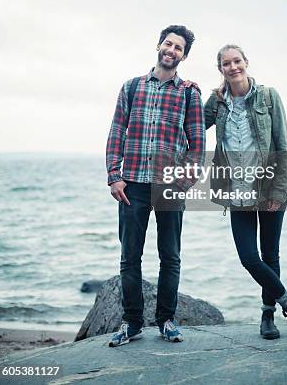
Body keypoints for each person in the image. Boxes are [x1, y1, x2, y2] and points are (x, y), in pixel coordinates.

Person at [204, 44, 287, 339]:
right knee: (249, 258)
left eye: (237, 61)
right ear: (221, 69)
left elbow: (282, 145)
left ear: (246, 62)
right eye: (226, 63)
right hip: (236, 191)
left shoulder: (268, 96)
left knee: (270, 254)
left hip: (268, 188)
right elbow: (192, 126)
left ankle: (268, 318)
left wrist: (279, 191)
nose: (233, 67)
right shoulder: (216, 102)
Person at [106, 25, 206, 346]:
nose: (171, 50)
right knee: (129, 257)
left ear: (184, 56)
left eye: (178, 47)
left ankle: (166, 320)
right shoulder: (132, 87)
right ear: (158, 46)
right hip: (131, 183)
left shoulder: (189, 92)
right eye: (168, 44)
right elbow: (116, 131)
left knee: (170, 256)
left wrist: (187, 178)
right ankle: (131, 323)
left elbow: (197, 141)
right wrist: (114, 174)